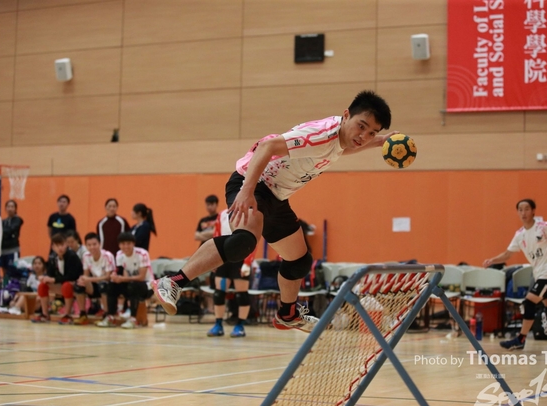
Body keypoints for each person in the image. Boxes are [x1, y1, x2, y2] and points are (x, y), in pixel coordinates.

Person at [153, 90, 394, 333]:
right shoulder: (319, 135)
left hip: (276, 196)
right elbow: (267, 146)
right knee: (243, 242)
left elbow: (341, 149)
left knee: (299, 260)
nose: (363, 136)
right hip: (253, 183)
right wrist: (247, 191)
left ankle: (287, 314)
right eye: (361, 126)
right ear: (346, 115)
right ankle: (172, 282)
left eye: (371, 132)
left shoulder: (339, 140)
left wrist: (379, 142)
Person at [483, 199, 547, 351]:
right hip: (539, 275)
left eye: (526, 209)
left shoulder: (544, 227)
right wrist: (492, 260)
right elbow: (507, 254)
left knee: (529, 303)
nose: (523, 213)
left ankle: (520, 339)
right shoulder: (520, 235)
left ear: (533, 211)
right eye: (520, 210)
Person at [207, 209, 255, 338]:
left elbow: (253, 239)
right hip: (224, 258)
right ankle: (218, 324)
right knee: (219, 293)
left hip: (241, 258)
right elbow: (216, 236)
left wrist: (248, 263)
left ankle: (240, 325)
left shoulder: (249, 213)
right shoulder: (222, 215)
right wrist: (214, 259)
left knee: (242, 295)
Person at [97, 232, 153, 329]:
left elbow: (141, 277)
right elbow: (120, 272)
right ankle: (111, 317)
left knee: (134, 286)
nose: (126, 246)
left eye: (128, 243)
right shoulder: (119, 254)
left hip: (148, 286)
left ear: (133, 244)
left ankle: (133, 319)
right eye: (123, 244)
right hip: (130, 284)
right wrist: (115, 276)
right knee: (111, 285)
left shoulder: (142, 254)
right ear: (119, 245)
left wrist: (122, 279)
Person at [31, 233, 83, 324]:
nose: (60, 248)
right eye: (57, 246)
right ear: (53, 247)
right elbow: (50, 274)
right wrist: (44, 277)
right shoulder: (52, 257)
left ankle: (68, 315)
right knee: (42, 285)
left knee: (66, 285)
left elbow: (72, 276)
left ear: (66, 244)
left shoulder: (72, 256)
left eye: (62, 245)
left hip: (77, 286)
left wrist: (54, 280)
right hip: (62, 284)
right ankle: (45, 314)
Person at [75, 232, 115, 324]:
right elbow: (86, 275)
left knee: (103, 285)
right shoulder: (86, 256)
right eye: (89, 245)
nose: (92, 247)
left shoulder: (107, 256)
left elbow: (108, 277)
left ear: (99, 244)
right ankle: (83, 315)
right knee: (79, 285)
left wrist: (89, 279)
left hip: (109, 287)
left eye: (94, 244)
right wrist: (82, 279)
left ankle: (107, 315)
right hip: (95, 286)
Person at [0, 199, 24, 281]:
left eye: (12, 206)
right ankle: (5, 285)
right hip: (3, 250)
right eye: (8, 206)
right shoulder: (2, 221)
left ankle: (13, 285)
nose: (10, 208)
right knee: (4, 270)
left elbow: (11, 230)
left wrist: (4, 232)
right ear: (5, 208)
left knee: (13, 270)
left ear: (15, 208)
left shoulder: (18, 220)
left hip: (13, 250)